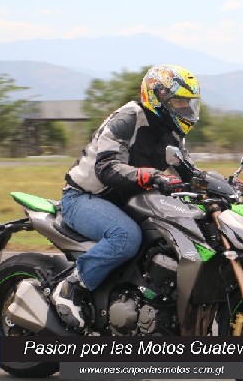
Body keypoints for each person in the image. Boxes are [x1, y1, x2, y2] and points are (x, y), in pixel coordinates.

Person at [51, 65, 201, 330]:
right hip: (83, 197)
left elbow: (187, 172)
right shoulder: (128, 119)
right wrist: (149, 176)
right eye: (179, 102)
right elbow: (107, 167)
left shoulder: (172, 133)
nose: (186, 109)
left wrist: (219, 185)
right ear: (159, 97)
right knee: (126, 236)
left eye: (189, 103)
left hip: (124, 201)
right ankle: (71, 287)